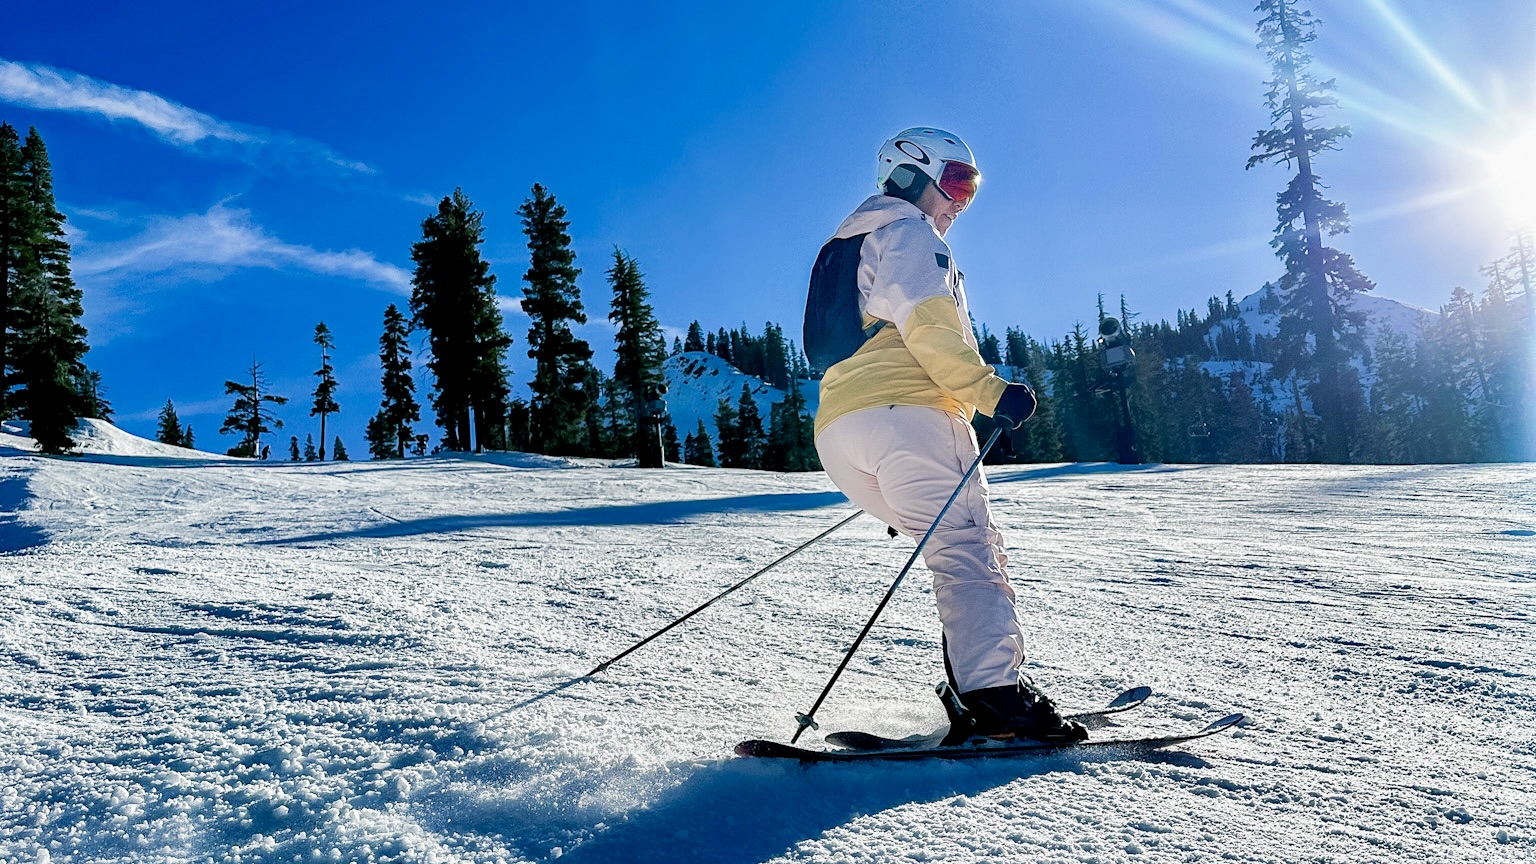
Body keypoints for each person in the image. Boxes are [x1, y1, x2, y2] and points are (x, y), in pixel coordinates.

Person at [811, 127, 1086, 744]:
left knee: (950, 551)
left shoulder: (844, 244)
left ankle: (973, 689)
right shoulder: (909, 231)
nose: (963, 199)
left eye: (973, 186)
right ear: (911, 175)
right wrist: (990, 392)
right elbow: (931, 329)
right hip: (908, 417)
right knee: (966, 548)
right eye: (958, 180)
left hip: (840, 434)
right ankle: (996, 700)